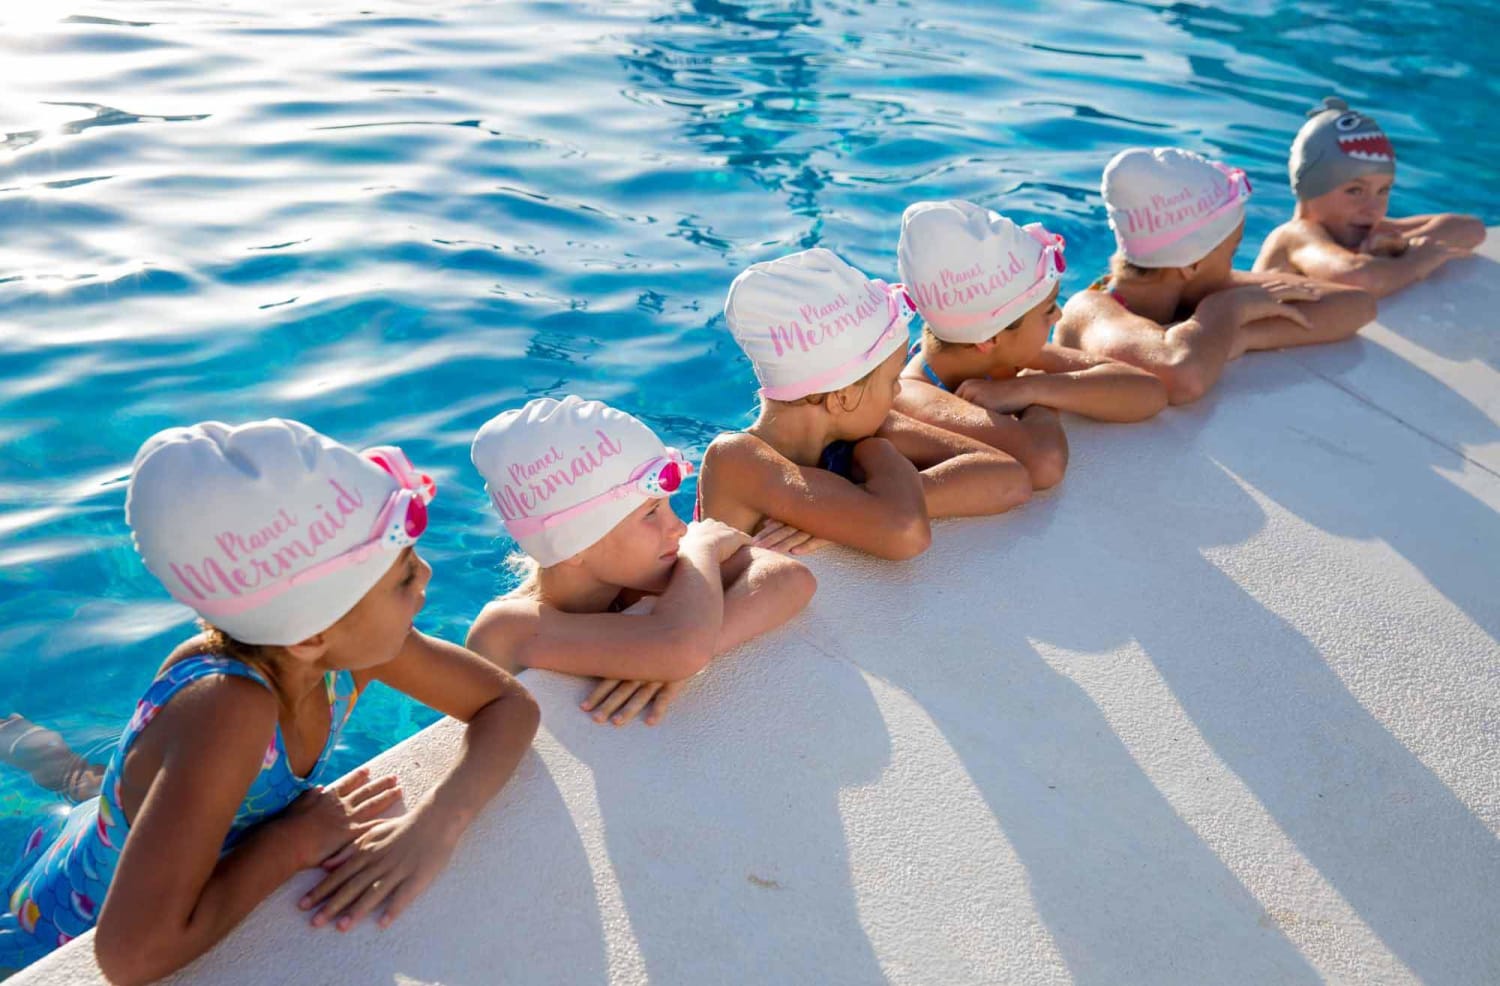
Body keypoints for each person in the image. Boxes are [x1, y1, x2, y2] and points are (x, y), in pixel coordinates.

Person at [0, 419, 538, 984]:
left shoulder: (351, 648)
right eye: (403, 577)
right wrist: (286, 844)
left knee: (121, 787)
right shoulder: (226, 712)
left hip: (138, 817)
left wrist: (436, 825)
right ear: (311, 634)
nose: (426, 575)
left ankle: (45, 758)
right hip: (62, 915)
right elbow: (129, 955)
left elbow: (509, 706)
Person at [466, 396, 815, 728]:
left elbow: (790, 579)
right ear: (574, 545)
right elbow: (682, 647)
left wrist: (674, 660)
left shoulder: (640, 574)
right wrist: (702, 552)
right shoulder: (505, 630)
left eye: (666, 506)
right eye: (651, 513)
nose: (679, 528)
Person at [697, 248, 1032, 560]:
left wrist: (848, 515)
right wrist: (877, 481)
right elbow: (906, 532)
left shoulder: (864, 432)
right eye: (890, 381)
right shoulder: (735, 460)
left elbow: (1010, 478)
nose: (898, 393)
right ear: (842, 396)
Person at [1055, 147, 1377, 404]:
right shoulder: (1088, 311)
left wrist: (1238, 336)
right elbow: (1181, 376)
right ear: (1191, 265)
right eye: (1232, 253)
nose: (1231, 269)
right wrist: (1229, 312)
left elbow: (1355, 305)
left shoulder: (1202, 287)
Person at [896, 199, 1167, 489]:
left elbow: (1149, 391)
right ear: (989, 339)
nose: (1059, 316)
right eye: (1048, 310)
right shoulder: (913, 394)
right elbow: (1044, 462)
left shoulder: (1002, 356)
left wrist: (1028, 388)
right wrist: (1038, 401)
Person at [1253, 96, 1484, 298]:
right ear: (1311, 190)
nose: (1372, 208)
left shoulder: (1361, 228)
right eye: (1354, 191)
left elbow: (1469, 228)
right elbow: (1356, 277)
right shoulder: (1295, 236)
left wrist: (1400, 245)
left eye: (1383, 191)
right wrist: (1415, 261)